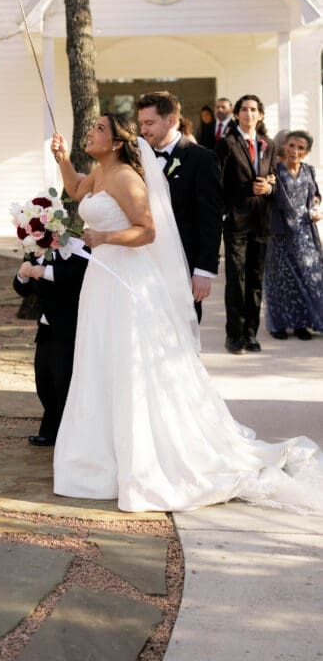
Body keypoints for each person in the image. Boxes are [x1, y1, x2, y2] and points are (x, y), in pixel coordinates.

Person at [49, 115, 323, 513]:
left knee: (128, 363)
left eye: (98, 129)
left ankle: (139, 457)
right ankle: (100, 457)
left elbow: (147, 230)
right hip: (102, 280)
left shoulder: (126, 177)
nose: (90, 132)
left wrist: (104, 237)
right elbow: (75, 189)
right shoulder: (98, 173)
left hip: (127, 281)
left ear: (115, 142)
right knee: (100, 361)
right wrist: (61, 158)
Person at [136, 90, 223, 321]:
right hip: (144, 262)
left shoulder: (202, 158)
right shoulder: (136, 159)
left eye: (150, 123)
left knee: (184, 329)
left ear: (171, 120)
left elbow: (210, 219)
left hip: (185, 263)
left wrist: (204, 270)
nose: (143, 130)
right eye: (141, 123)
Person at [13, 238, 90, 446]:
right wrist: (23, 274)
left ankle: (63, 434)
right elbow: (23, 290)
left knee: (63, 381)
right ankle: (52, 430)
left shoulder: (72, 249)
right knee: (43, 380)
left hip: (68, 328)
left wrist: (46, 272)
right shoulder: (32, 252)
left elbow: (82, 276)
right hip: (46, 328)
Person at [217, 94, 276, 354]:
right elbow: (217, 182)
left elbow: (274, 176)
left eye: (253, 109)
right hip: (236, 221)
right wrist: (225, 212)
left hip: (261, 221)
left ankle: (251, 334)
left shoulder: (269, 144)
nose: (248, 113)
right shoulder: (226, 143)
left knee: (255, 279)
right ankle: (234, 335)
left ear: (260, 115)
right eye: (244, 109)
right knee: (236, 280)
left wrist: (270, 187)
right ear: (237, 114)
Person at [264, 130, 323, 341]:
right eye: (291, 146)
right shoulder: (274, 170)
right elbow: (269, 194)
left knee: (308, 276)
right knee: (281, 280)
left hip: (305, 232)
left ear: (306, 152)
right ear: (284, 146)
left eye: (300, 148)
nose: (295, 151)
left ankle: (302, 324)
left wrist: (316, 208)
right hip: (280, 231)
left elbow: (315, 194)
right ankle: (278, 325)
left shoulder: (308, 170)